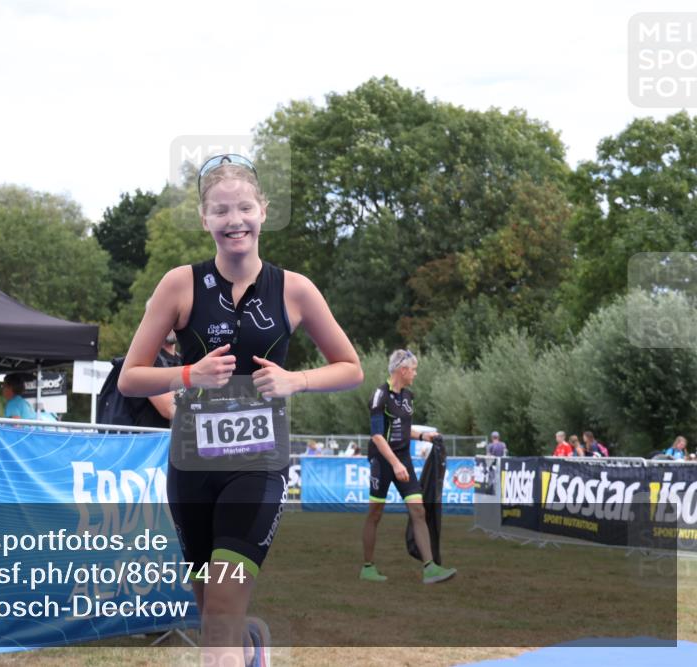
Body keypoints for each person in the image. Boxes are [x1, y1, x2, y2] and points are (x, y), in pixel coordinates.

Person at [117, 153, 363, 666]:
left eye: (244, 208)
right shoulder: (179, 284)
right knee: (213, 612)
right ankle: (252, 645)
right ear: (205, 219)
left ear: (263, 212)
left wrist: (296, 380)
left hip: (258, 466)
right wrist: (189, 375)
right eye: (222, 211)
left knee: (221, 614)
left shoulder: (294, 289)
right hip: (192, 469)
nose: (235, 221)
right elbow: (131, 376)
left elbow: (350, 367)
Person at [360, 350, 457, 585]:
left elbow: (404, 429)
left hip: (402, 459)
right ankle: (368, 567)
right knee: (375, 514)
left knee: (418, 510)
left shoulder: (408, 396)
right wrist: (394, 463)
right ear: (402, 370)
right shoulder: (380, 396)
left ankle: (430, 567)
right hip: (382, 461)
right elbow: (377, 436)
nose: (415, 373)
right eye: (413, 369)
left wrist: (425, 436)